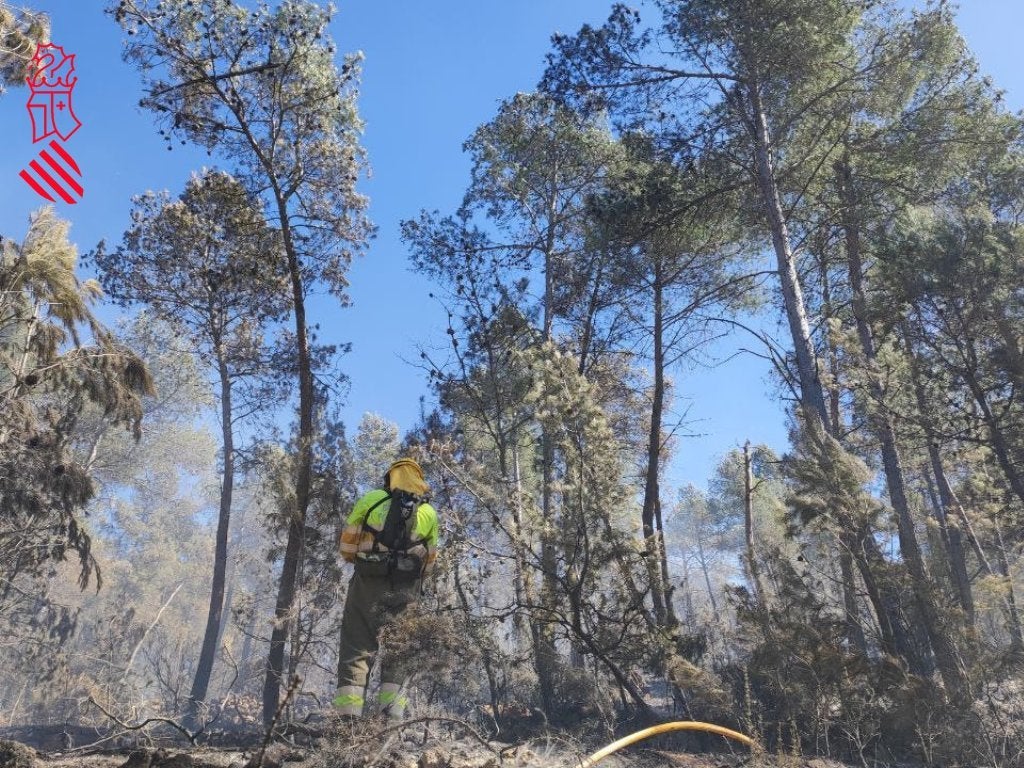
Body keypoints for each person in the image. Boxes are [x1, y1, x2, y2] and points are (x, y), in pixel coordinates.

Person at [334, 457, 439, 720]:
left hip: (367, 585)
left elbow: (347, 548)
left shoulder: (371, 501)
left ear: (390, 477)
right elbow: (430, 562)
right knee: (399, 651)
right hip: (406, 592)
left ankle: (348, 723)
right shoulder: (428, 514)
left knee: (356, 649)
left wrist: (367, 560)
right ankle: (391, 722)